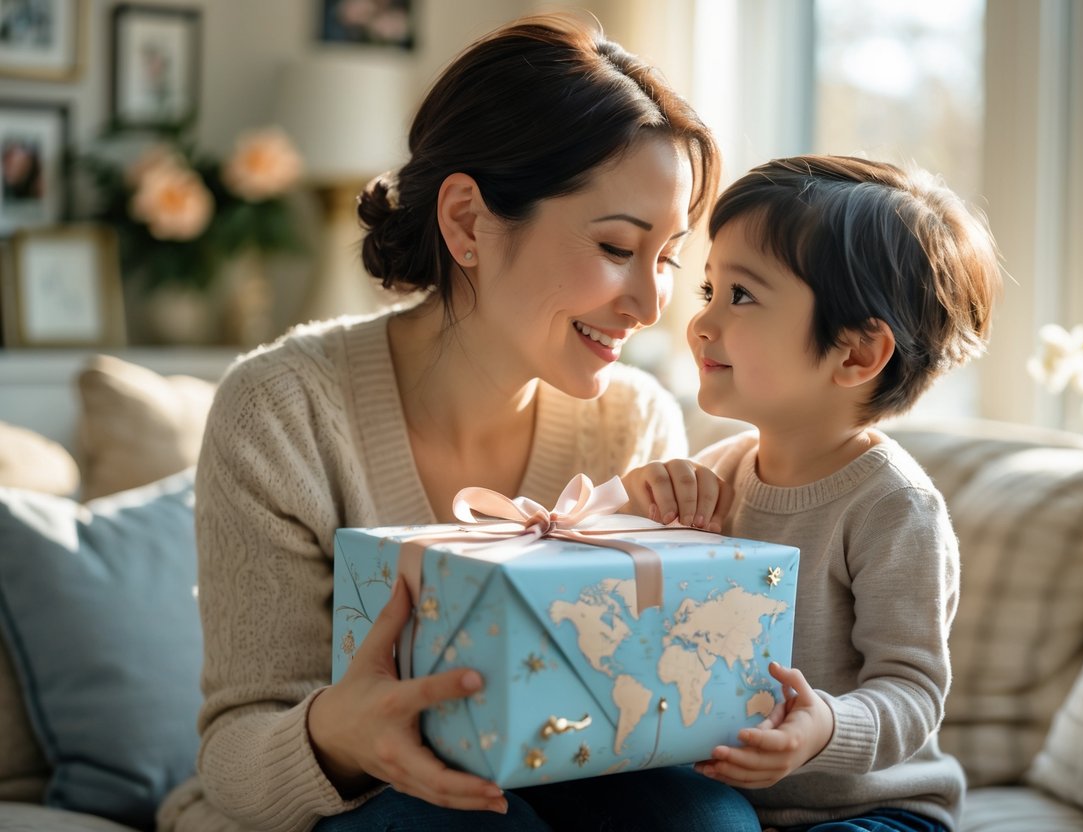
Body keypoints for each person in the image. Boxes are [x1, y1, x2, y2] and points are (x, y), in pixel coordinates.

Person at [158, 13, 765, 832]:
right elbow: (235, 757)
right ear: (468, 221)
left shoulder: (635, 420)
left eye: (666, 258)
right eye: (619, 247)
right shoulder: (282, 411)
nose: (652, 303)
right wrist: (342, 731)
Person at [622, 154, 1003, 832]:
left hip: (874, 809)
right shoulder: (718, 469)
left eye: (740, 296)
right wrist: (632, 504)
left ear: (855, 353)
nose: (701, 323)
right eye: (707, 290)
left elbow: (912, 695)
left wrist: (821, 727)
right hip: (727, 803)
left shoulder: (892, 507)